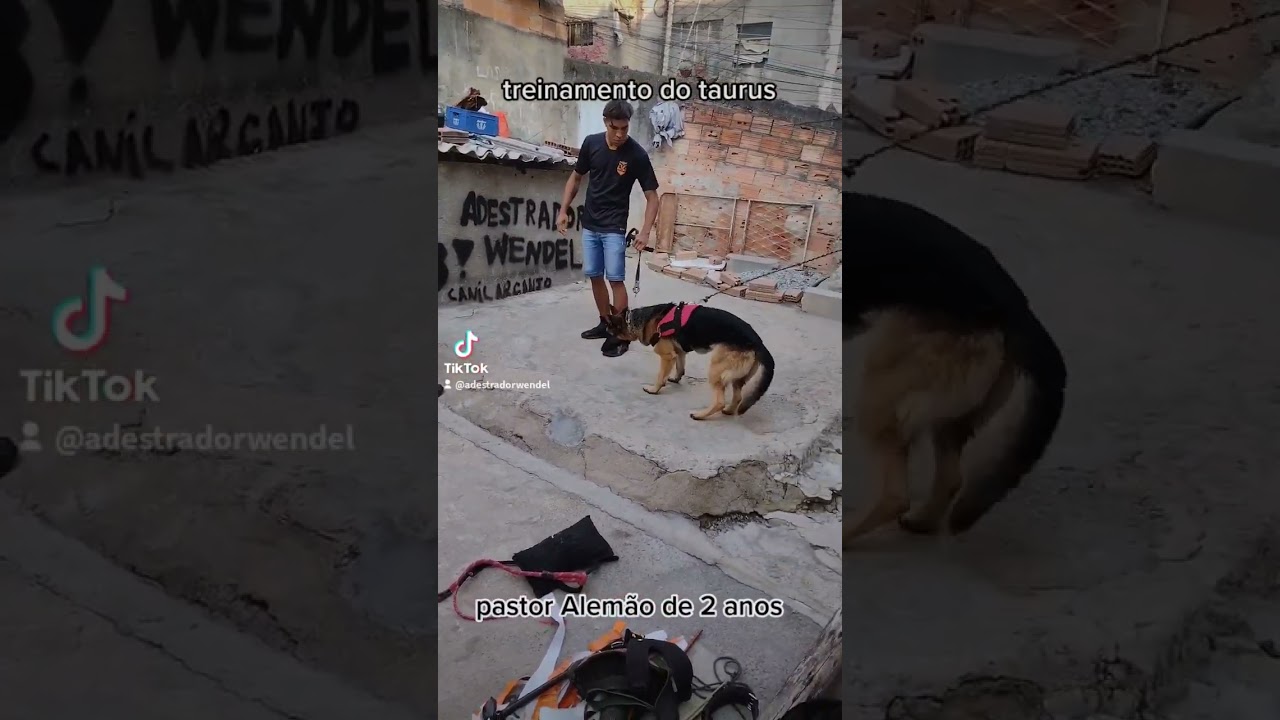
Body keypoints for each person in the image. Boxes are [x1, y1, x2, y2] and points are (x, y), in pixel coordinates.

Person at [558, 99, 660, 357]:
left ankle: (621, 334)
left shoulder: (636, 154)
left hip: (614, 227)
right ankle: (605, 323)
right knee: (594, 275)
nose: (620, 134)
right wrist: (563, 210)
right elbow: (576, 177)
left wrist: (646, 231)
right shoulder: (591, 144)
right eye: (616, 128)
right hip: (590, 224)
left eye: (625, 128)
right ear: (606, 122)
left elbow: (653, 197)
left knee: (615, 280)